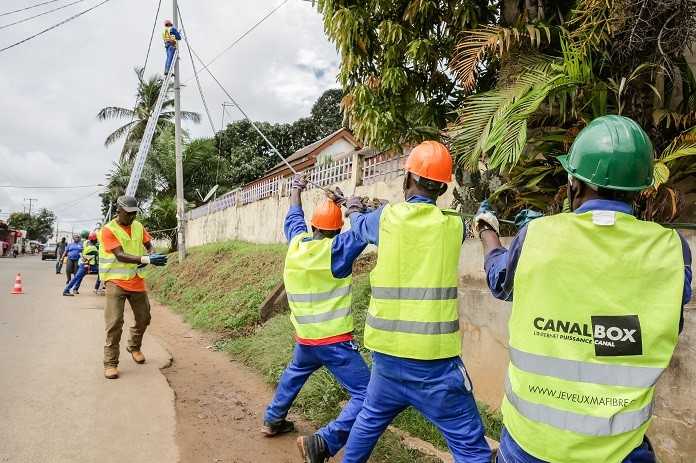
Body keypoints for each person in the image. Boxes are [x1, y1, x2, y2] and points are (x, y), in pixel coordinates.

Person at [473, 115, 693, 463]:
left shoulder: (538, 236)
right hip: (618, 450)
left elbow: (500, 280)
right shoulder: (672, 249)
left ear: (575, 185)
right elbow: (669, 324)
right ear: (640, 189)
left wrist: (487, 233)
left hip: (530, 445)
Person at [340, 141, 492, 463]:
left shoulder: (385, 219)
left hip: (386, 358)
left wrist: (353, 207)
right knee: (470, 446)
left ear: (406, 178)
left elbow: (358, 225)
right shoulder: (452, 225)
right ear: (442, 188)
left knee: (368, 421)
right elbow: (452, 220)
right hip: (435, 365)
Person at [262, 174, 371, 463]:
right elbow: (365, 228)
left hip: (306, 338)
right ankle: (325, 440)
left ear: (313, 227)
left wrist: (296, 188)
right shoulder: (338, 250)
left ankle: (273, 419)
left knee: (293, 375)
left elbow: (293, 213)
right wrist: (351, 203)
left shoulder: (297, 244)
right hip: (334, 343)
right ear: (337, 231)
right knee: (367, 392)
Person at [100, 196, 168, 380]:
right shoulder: (108, 230)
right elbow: (120, 255)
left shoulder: (138, 226)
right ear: (118, 211)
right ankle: (110, 363)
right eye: (128, 214)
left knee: (144, 318)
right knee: (115, 322)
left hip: (136, 280)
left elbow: (148, 245)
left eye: (134, 213)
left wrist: (153, 254)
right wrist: (147, 259)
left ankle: (134, 346)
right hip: (115, 281)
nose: (131, 217)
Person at [63, 232, 99, 296]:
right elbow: (91, 258)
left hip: (86, 264)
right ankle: (66, 290)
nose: (97, 240)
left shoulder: (85, 244)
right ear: (94, 239)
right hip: (87, 265)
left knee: (78, 277)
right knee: (77, 277)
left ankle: (74, 289)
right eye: (96, 239)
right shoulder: (92, 248)